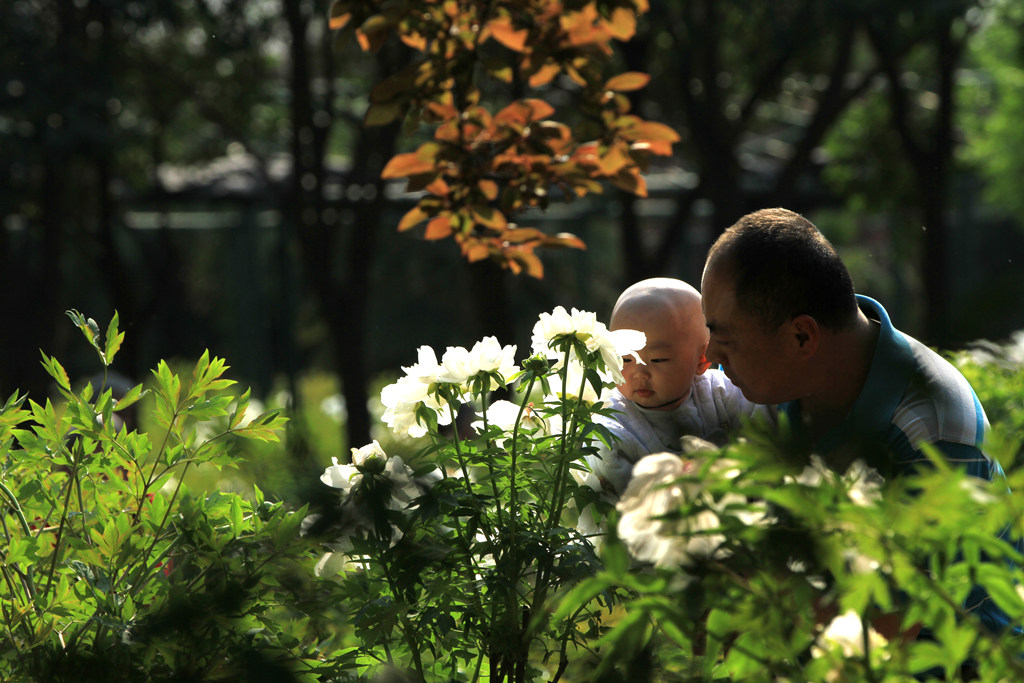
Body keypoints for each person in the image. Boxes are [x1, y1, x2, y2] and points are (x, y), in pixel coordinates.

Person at [700, 206, 1019, 636]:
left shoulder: (932, 431)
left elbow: (916, 623)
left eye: (725, 339)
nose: (711, 356)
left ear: (802, 336)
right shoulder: (777, 381)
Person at [586, 277, 761, 498]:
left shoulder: (725, 394)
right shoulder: (611, 430)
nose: (640, 372)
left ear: (702, 360)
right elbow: (628, 503)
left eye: (658, 359)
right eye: (625, 359)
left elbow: (764, 444)